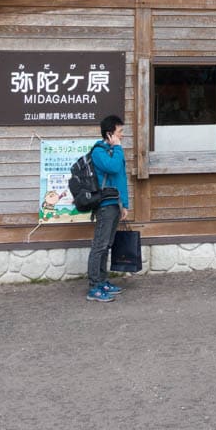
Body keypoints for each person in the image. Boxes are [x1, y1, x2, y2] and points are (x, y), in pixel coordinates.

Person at [87, 114, 129, 303]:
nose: (122, 135)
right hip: (104, 205)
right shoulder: (99, 151)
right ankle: (94, 286)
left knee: (107, 244)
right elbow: (112, 168)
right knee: (100, 245)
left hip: (115, 204)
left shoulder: (115, 150)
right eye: (120, 132)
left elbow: (121, 179)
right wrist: (117, 148)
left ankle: (103, 281)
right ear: (110, 133)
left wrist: (125, 205)